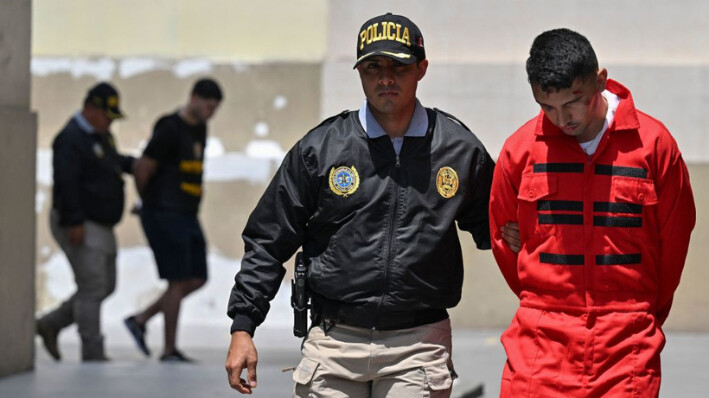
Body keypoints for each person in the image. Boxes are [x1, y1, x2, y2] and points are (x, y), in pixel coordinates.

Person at [225, 12, 495, 397]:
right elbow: (269, 240)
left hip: (418, 345)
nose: (385, 78)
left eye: (398, 66)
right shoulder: (322, 148)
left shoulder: (458, 149)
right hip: (333, 341)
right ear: (360, 73)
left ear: (421, 69)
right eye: (373, 67)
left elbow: (502, 229)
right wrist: (243, 326)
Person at [489, 28, 696, 397]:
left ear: (600, 80)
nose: (561, 118)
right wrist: (545, 305)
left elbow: (673, 246)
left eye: (573, 102)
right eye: (546, 107)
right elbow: (505, 243)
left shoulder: (653, 146)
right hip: (539, 343)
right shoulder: (519, 152)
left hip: (627, 346)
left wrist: (637, 312)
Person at [123, 78, 223, 362]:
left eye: (214, 109)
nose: (210, 112)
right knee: (178, 280)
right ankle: (168, 349)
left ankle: (141, 320)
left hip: (188, 214)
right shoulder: (169, 127)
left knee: (197, 277)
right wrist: (148, 202)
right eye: (207, 106)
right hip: (164, 213)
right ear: (193, 98)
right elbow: (143, 168)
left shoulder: (201, 128)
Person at [36, 82, 134, 362]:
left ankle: (51, 323)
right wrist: (74, 221)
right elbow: (65, 183)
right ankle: (92, 350)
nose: (110, 123)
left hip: (102, 223)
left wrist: (133, 164)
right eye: (106, 116)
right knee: (92, 285)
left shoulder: (102, 136)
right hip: (80, 221)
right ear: (90, 109)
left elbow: (111, 162)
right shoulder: (70, 138)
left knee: (106, 285)